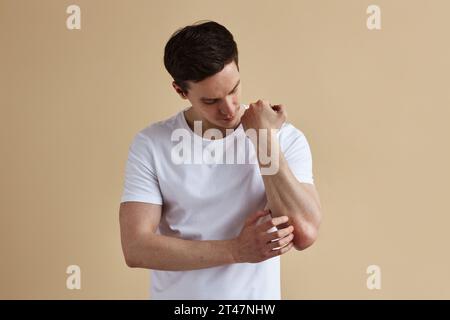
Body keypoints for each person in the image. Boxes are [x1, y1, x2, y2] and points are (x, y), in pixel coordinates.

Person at [119, 20, 322, 300]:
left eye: (234, 90)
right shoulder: (151, 143)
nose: (229, 109)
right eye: (211, 101)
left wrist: (262, 138)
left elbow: (305, 233)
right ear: (181, 91)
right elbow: (135, 247)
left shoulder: (281, 136)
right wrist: (235, 250)